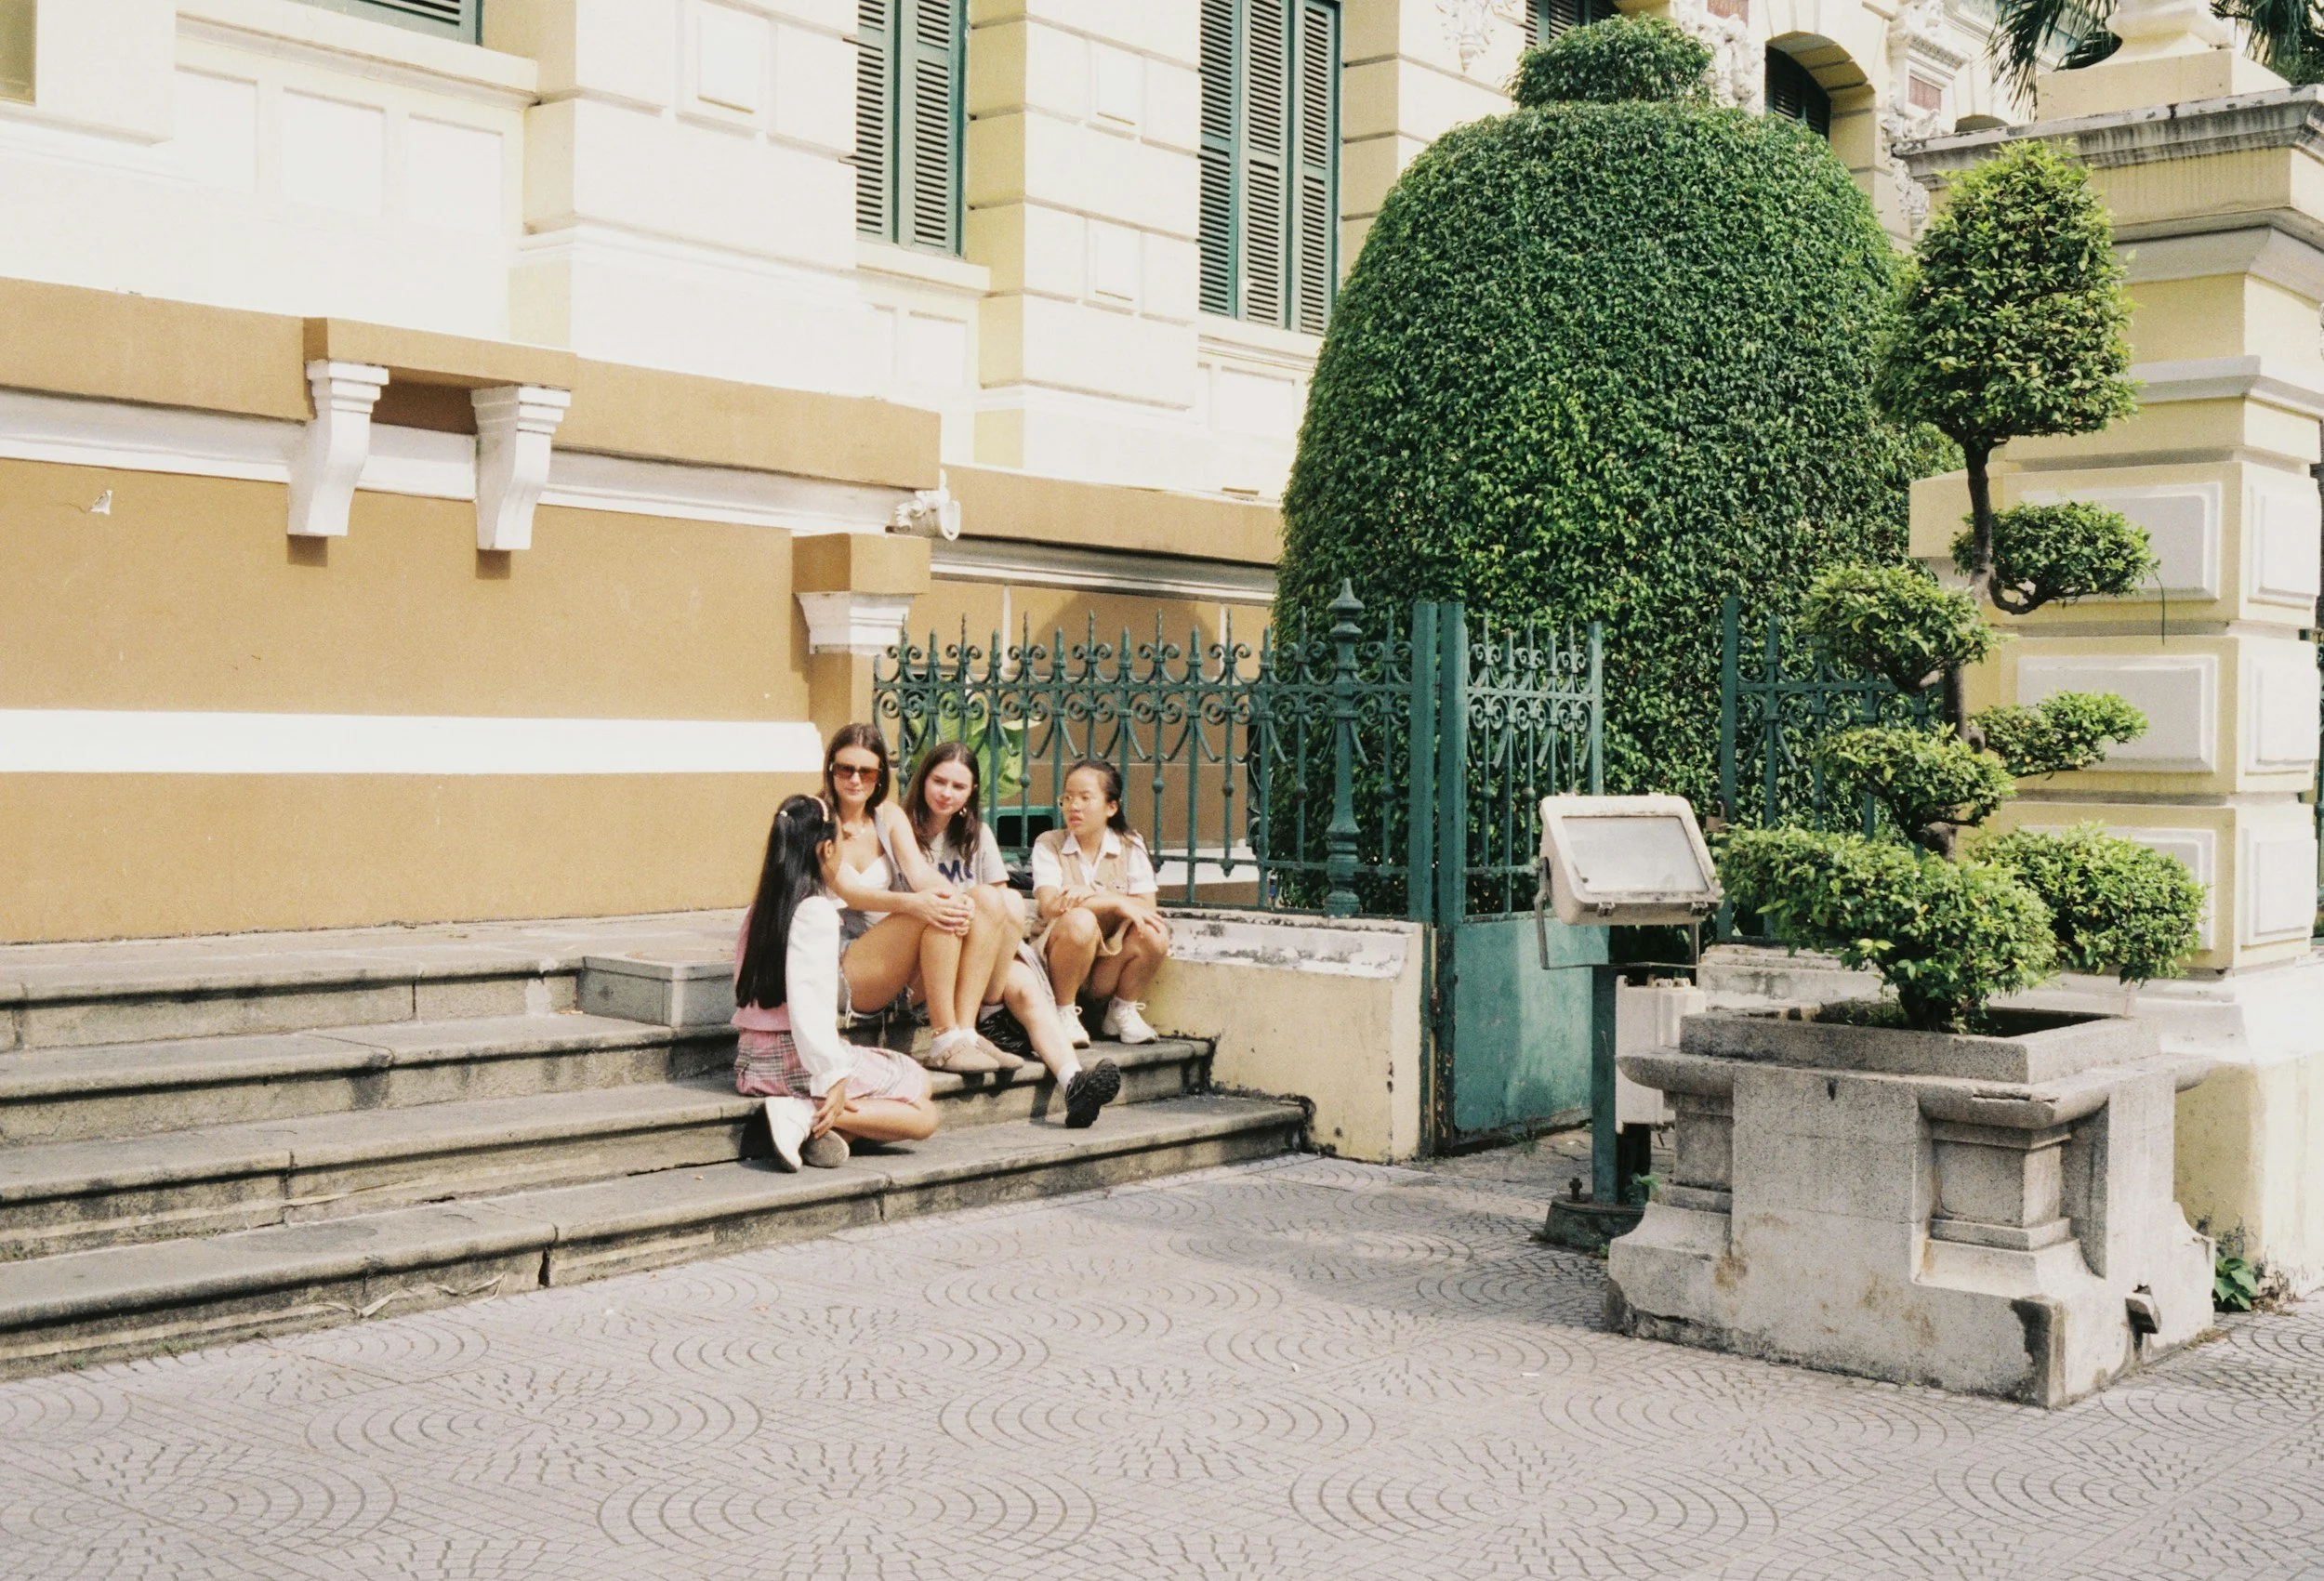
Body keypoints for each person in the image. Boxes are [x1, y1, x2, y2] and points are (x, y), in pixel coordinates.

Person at [898, 742, 1120, 1126]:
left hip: (981, 956)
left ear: (970, 794)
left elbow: (1002, 907)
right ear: (922, 781)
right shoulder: (903, 831)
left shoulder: (976, 834)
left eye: (958, 786)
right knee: (990, 902)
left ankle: (1073, 1083)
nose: (946, 793)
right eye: (939, 781)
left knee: (1024, 980)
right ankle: (976, 1024)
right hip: (931, 956)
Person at [733, 795, 939, 1170]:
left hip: (753, 1060)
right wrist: (832, 1076)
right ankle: (804, 1113)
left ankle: (828, 1132)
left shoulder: (760, 910)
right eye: (842, 840)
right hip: (795, 1059)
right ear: (826, 849)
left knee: (904, 1086)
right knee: (923, 1106)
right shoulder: (814, 912)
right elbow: (809, 1007)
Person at [816, 724, 1013, 1074]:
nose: (855, 780)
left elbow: (919, 873)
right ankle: (943, 1039)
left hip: (896, 963)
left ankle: (964, 1033)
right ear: (831, 769)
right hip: (842, 966)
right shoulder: (817, 818)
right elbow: (850, 893)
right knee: (929, 911)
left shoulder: (888, 816)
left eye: (867, 771)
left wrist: (959, 899)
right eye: (845, 769)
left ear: (880, 776)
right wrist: (917, 903)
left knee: (984, 899)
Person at [1031, 758, 1170, 1048]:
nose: (1073, 806)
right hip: (1057, 966)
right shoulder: (1049, 843)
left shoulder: (1130, 844)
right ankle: (1063, 1012)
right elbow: (1049, 905)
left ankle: (1121, 1009)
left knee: (1155, 931)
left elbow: (1147, 907)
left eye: (1085, 798)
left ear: (1111, 806)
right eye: (1067, 797)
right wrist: (1112, 904)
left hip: (1104, 970)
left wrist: (1103, 898)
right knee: (1079, 921)